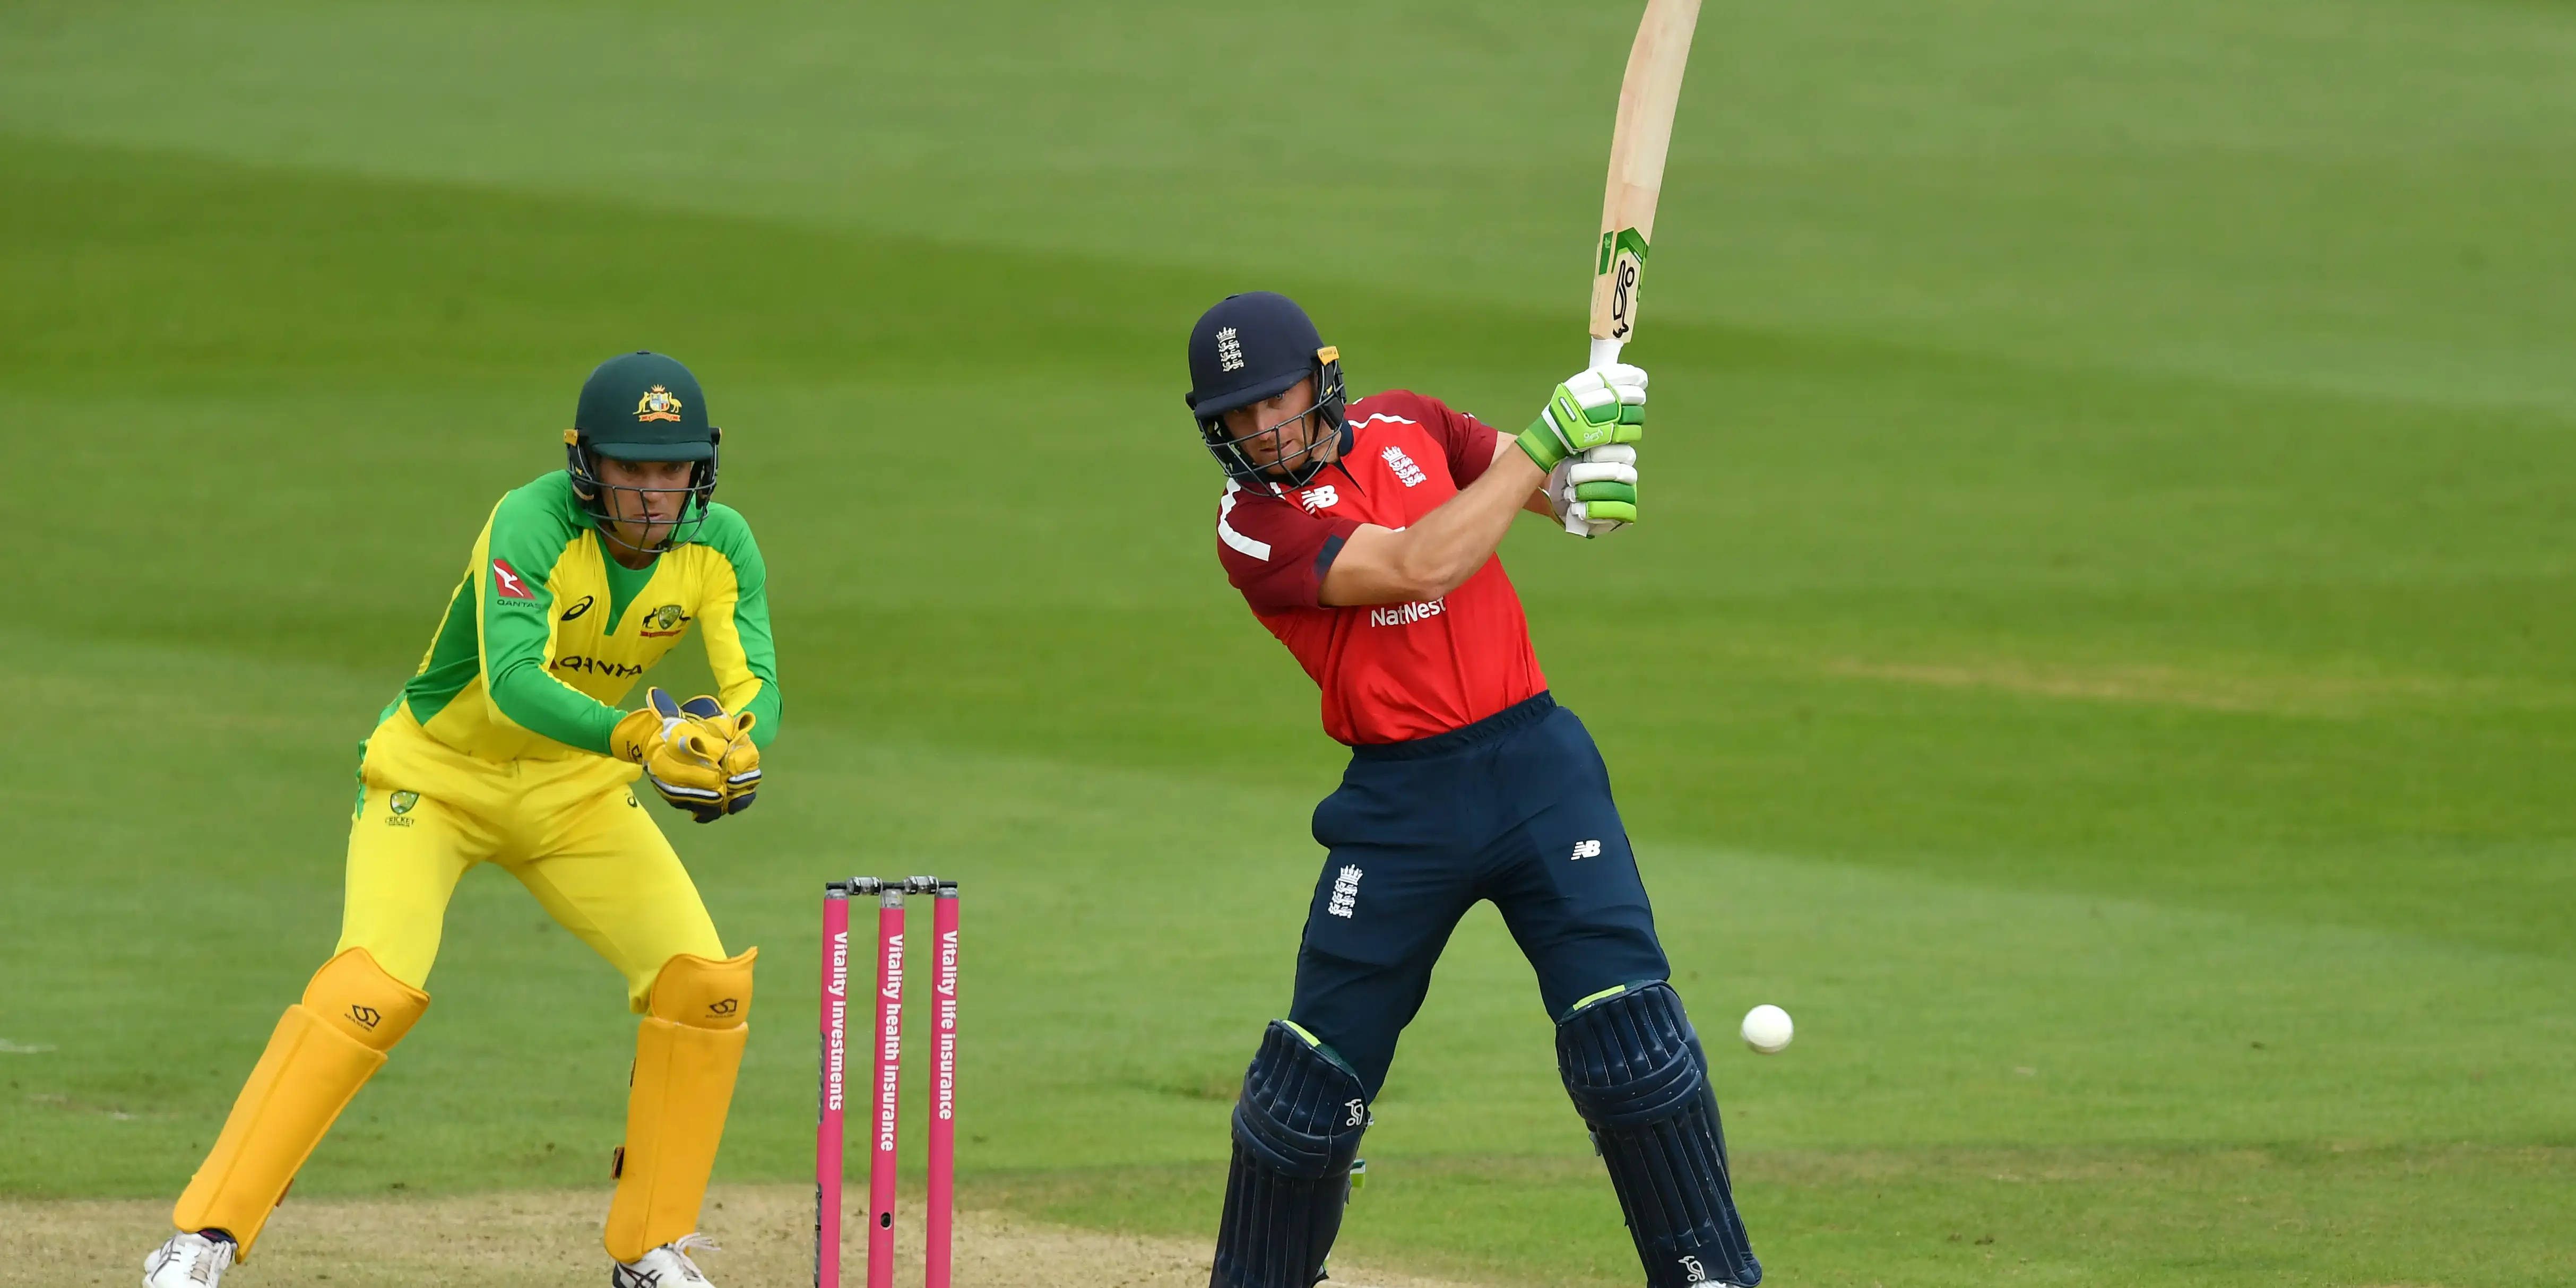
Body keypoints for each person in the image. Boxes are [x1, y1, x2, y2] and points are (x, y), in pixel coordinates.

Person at [142, 351, 780, 1288]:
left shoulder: (722, 544)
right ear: (585, 462)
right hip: (435, 778)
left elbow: (752, 681)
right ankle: (202, 1237)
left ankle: (652, 1247)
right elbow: (515, 682)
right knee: (369, 990)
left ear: (702, 467)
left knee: (707, 987)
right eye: (631, 467)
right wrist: (640, 735)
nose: (653, 491)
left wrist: (733, 743)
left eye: (672, 468)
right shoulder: (530, 521)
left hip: (576, 794)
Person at [1186, 293, 1760, 1288]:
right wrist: (1548, 439)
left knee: (1631, 1044)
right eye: (1240, 416)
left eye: (1276, 401)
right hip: (1400, 807)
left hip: (1539, 772)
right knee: (1307, 1095)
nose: (1264, 430)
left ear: (1321, 378)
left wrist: (1586, 481)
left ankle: (1710, 1277)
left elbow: (1537, 488)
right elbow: (1426, 562)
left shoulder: (1411, 420)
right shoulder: (1252, 526)